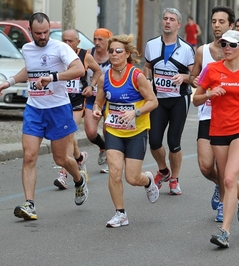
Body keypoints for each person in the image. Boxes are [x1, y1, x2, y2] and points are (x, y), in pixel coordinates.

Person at [0, 12, 88, 220]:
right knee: (29, 156)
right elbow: (29, 70)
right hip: (34, 109)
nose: (43, 36)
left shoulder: (60, 48)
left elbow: (79, 69)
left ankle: (78, 179)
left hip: (58, 109)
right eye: (38, 33)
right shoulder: (27, 49)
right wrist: (9, 82)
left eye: (46, 32)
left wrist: (53, 77)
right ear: (30, 31)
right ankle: (29, 204)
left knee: (60, 158)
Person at [193, 30, 239, 248]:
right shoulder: (212, 69)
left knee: (228, 178)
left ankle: (224, 232)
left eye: (232, 45)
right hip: (218, 131)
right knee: (227, 179)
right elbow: (195, 99)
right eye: (224, 44)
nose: (227, 48)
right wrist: (209, 94)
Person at [190, 6, 239, 223]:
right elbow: (194, 78)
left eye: (221, 22)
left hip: (234, 118)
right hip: (207, 114)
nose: (217, 25)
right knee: (206, 166)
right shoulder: (202, 51)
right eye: (214, 21)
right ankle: (231, 190)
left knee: (226, 171)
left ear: (231, 25)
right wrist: (196, 82)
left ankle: (226, 205)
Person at [92, 34, 159, 228]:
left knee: (132, 178)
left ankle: (147, 180)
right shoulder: (105, 77)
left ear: (127, 54)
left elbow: (153, 101)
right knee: (114, 172)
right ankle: (120, 213)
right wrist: (97, 109)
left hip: (136, 131)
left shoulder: (136, 76)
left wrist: (135, 113)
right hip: (113, 130)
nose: (113, 54)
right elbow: (99, 100)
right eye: (111, 51)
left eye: (118, 51)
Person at [144, 8, 195, 195]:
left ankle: (174, 179)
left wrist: (184, 77)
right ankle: (164, 170)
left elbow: (195, 77)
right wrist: (147, 80)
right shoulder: (151, 45)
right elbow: (147, 67)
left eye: (172, 19)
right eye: (165, 18)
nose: (167, 22)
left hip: (179, 100)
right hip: (158, 100)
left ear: (178, 24)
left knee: (174, 142)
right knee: (154, 141)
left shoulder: (187, 49)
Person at [53, 29, 102, 189]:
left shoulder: (84, 56)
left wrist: (91, 85)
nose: (67, 44)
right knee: (68, 135)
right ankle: (80, 158)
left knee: (67, 135)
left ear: (78, 42)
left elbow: (98, 71)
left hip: (77, 101)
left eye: (70, 41)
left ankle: (63, 174)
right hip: (60, 102)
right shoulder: (57, 54)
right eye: (64, 40)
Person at [86, 28, 113, 173]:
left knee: (108, 130)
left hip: (110, 99)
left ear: (108, 41)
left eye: (100, 39)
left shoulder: (114, 55)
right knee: (90, 132)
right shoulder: (88, 54)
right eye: (95, 39)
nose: (97, 42)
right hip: (92, 99)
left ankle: (111, 160)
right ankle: (103, 147)